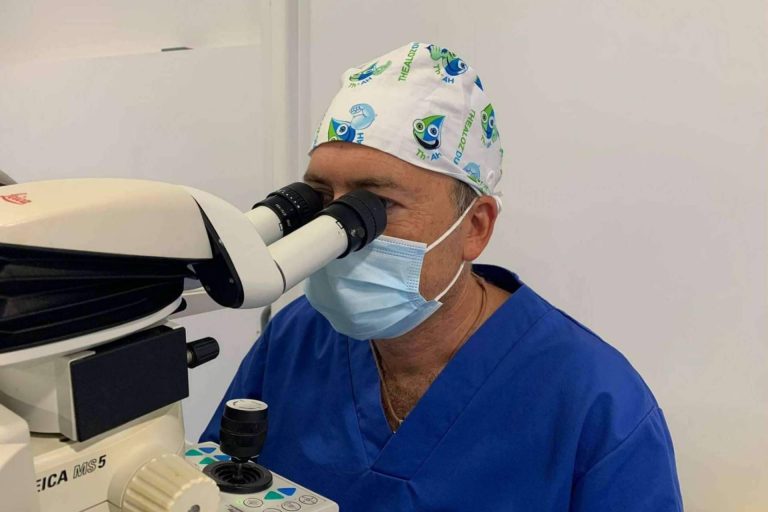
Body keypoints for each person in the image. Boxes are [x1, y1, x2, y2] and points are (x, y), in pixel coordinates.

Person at [201, 42, 683, 511]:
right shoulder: (296, 336)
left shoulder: (596, 402)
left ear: (475, 227)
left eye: (376, 204)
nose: (336, 232)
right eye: (321, 197)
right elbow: (210, 486)